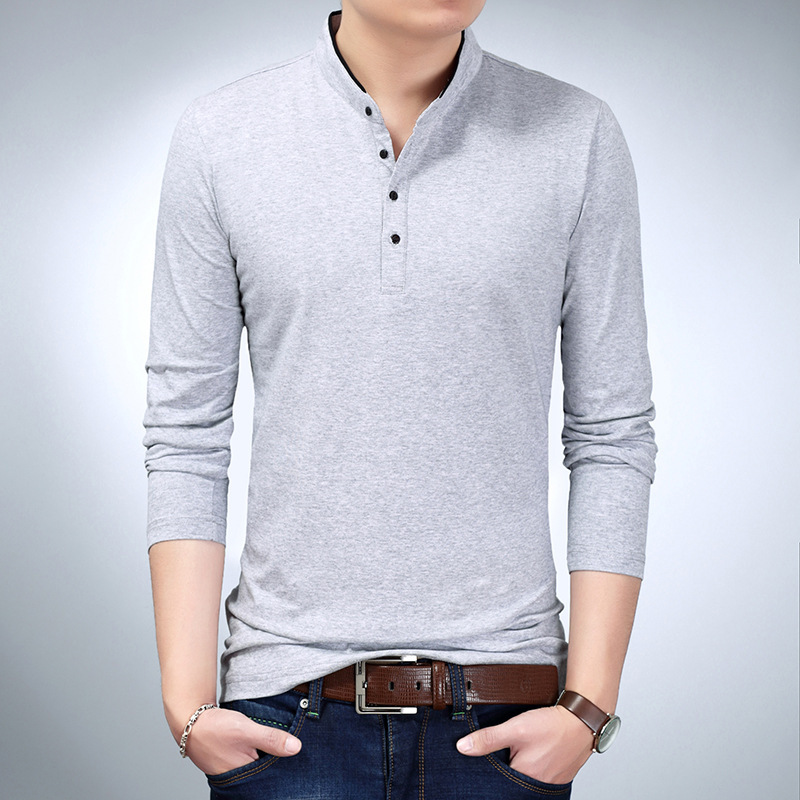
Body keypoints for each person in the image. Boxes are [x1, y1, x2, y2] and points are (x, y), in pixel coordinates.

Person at [142, 2, 657, 798]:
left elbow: (612, 431)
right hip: (285, 720)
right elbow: (186, 430)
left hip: (506, 716)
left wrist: (588, 708)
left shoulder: (575, 133)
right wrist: (188, 706)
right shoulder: (222, 136)